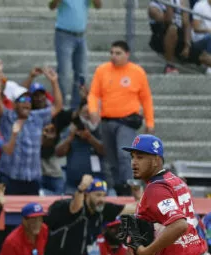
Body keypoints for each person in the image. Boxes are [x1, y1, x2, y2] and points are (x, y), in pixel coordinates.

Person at [87, 40, 154, 196]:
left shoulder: (137, 72)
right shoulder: (102, 70)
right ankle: (119, 188)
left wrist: (150, 122)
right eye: (111, 53)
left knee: (124, 154)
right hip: (107, 121)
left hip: (127, 121)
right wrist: (92, 110)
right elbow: (94, 93)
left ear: (127, 54)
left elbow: (146, 98)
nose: (114, 56)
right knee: (111, 160)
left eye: (118, 53)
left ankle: (130, 184)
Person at [45, 175, 138, 255]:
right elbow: (74, 209)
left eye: (104, 195)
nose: (102, 199)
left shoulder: (102, 209)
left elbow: (134, 208)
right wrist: (81, 188)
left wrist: (139, 194)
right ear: (86, 195)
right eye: (97, 195)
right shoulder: (66, 206)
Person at [0, 64, 63, 195]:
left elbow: (57, 106)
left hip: (33, 180)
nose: (27, 103)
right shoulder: (7, 116)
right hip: (10, 178)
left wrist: (54, 81)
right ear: (14, 104)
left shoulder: (37, 117)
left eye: (29, 99)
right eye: (22, 99)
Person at [50, 0, 102, 109]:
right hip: (63, 35)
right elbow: (51, 6)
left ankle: (76, 107)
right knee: (64, 72)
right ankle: (60, 106)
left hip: (81, 36)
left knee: (81, 73)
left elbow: (98, 6)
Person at [56, 98, 105, 194]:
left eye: (90, 113)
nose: (87, 117)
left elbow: (106, 151)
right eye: (84, 113)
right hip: (73, 185)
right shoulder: (71, 129)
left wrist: (90, 138)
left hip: (98, 184)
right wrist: (70, 137)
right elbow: (58, 152)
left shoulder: (102, 129)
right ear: (79, 113)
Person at [148, 0, 189, 74]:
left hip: (180, 37)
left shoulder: (180, 1)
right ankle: (169, 65)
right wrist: (169, 4)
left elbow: (186, 23)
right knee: (172, 28)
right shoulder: (153, 7)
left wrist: (187, 45)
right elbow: (168, 21)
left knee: (205, 57)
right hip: (161, 37)